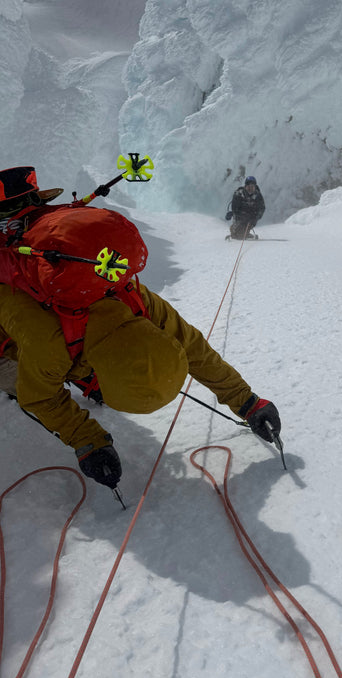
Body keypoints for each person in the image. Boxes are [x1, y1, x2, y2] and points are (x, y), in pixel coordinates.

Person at [0, 167, 280, 491]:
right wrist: (88, 441)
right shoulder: (49, 347)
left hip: (60, 319)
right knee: (14, 377)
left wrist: (248, 402)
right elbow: (41, 398)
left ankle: (86, 375)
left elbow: (193, 349)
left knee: (65, 360)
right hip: (15, 325)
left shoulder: (136, 301)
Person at [226, 175, 265, 240]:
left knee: (240, 235)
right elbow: (235, 208)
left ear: (255, 187)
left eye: (252, 187)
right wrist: (235, 214)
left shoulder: (257, 196)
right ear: (245, 186)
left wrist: (256, 217)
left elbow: (262, 208)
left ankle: (245, 233)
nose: (250, 189)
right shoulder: (239, 194)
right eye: (248, 187)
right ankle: (236, 230)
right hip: (240, 217)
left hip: (252, 218)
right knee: (237, 235)